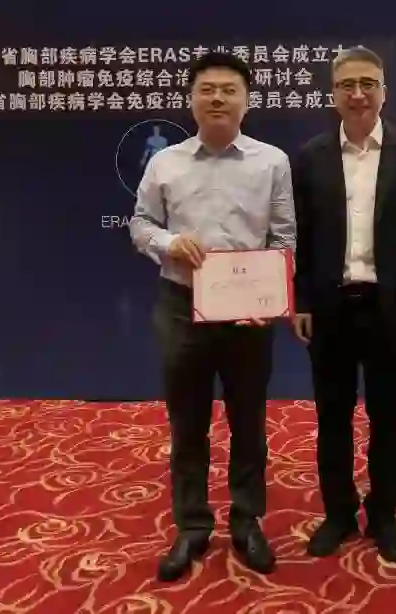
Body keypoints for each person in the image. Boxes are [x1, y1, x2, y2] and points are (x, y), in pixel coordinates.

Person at [129, 51, 295, 582]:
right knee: (187, 421)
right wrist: (168, 242)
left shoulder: (272, 162)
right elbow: (140, 224)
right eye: (207, 89)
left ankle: (248, 521)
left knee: (248, 420)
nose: (217, 98)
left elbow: (284, 238)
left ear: (247, 101)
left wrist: (268, 299)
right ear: (192, 99)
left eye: (228, 90)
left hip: (248, 311)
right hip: (182, 306)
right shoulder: (166, 162)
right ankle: (192, 525)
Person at [291, 46, 396, 563]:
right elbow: (300, 236)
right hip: (329, 307)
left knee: (386, 418)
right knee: (332, 417)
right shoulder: (310, 155)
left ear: (384, 91)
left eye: (367, 84)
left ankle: (383, 515)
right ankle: (338, 513)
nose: (357, 94)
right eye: (346, 85)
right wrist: (301, 300)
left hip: (389, 307)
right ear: (332, 94)